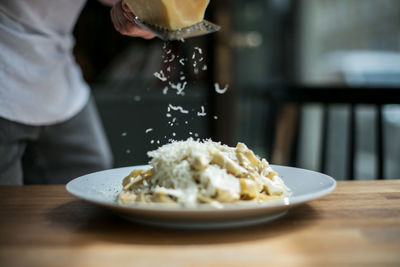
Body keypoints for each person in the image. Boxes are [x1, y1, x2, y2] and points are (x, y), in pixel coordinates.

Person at [0, 0, 155, 185]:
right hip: (5, 80)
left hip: (58, 75)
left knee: (92, 180)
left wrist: (143, 10)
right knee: (8, 203)